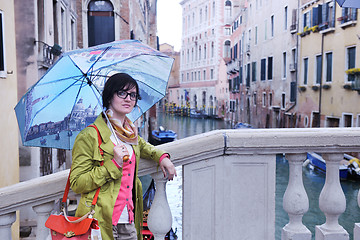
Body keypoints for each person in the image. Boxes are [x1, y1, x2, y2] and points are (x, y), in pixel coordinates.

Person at [70, 73, 177, 240]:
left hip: (128, 219)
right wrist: (114, 164)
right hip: (99, 220)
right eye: (122, 93)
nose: (128, 98)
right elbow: (77, 183)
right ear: (109, 96)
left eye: (133, 95)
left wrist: (163, 157)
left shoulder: (129, 132)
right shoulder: (89, 135)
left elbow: (145, 146)